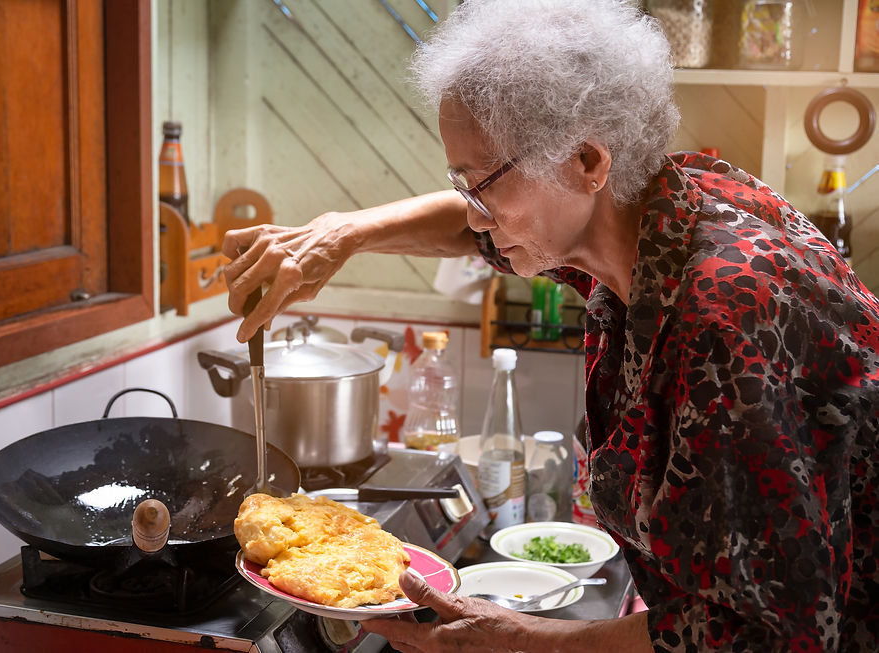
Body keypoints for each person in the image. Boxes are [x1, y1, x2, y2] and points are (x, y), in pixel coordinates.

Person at [221, 0, 879, 651]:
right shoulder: (650, 215)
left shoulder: (721, 311)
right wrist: (342, 234)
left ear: (589, 162)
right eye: (463, 182)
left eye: (483, 183)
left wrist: (520, 638)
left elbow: (766, 635)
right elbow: (474, 223)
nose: (475, 214)